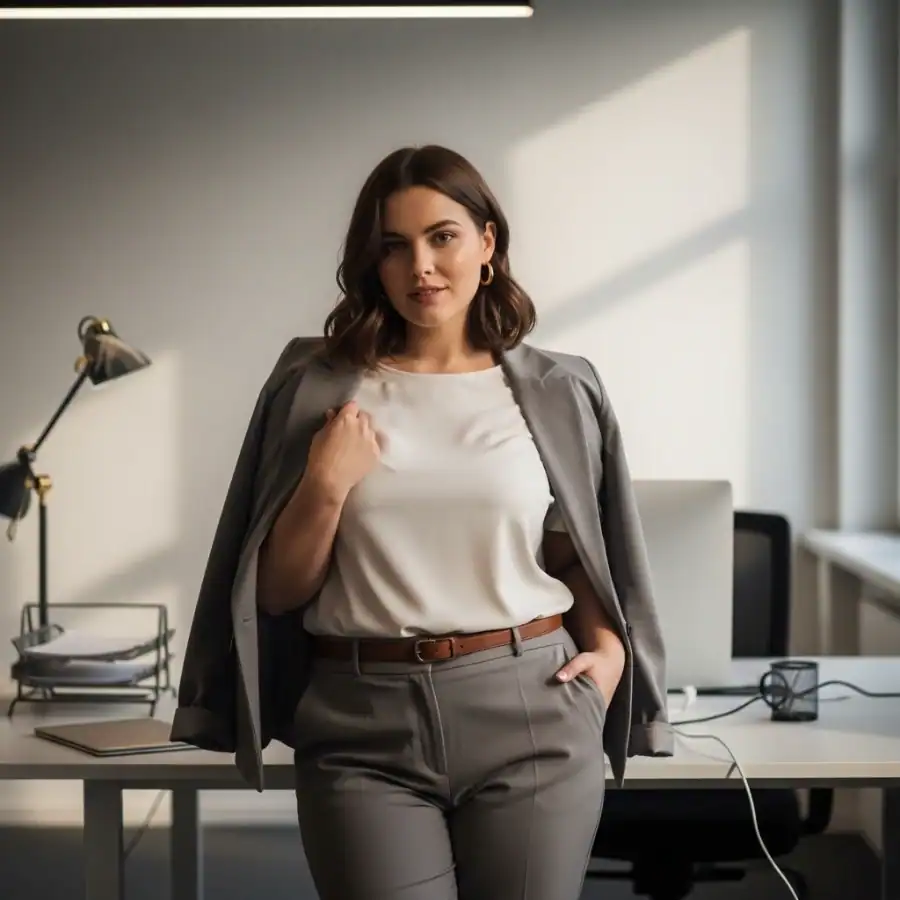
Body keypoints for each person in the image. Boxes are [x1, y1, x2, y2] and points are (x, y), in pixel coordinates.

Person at [172, 144, 671, 900]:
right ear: (371, 263)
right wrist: (325, 484)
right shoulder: (315, 387)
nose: (421, 267)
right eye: (394, 246)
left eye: (443, 237)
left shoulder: (560, 389)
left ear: (487, 245)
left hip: (531, 708)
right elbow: (275, 591)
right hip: (359, 720)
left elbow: (580, 554)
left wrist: (604, 652)